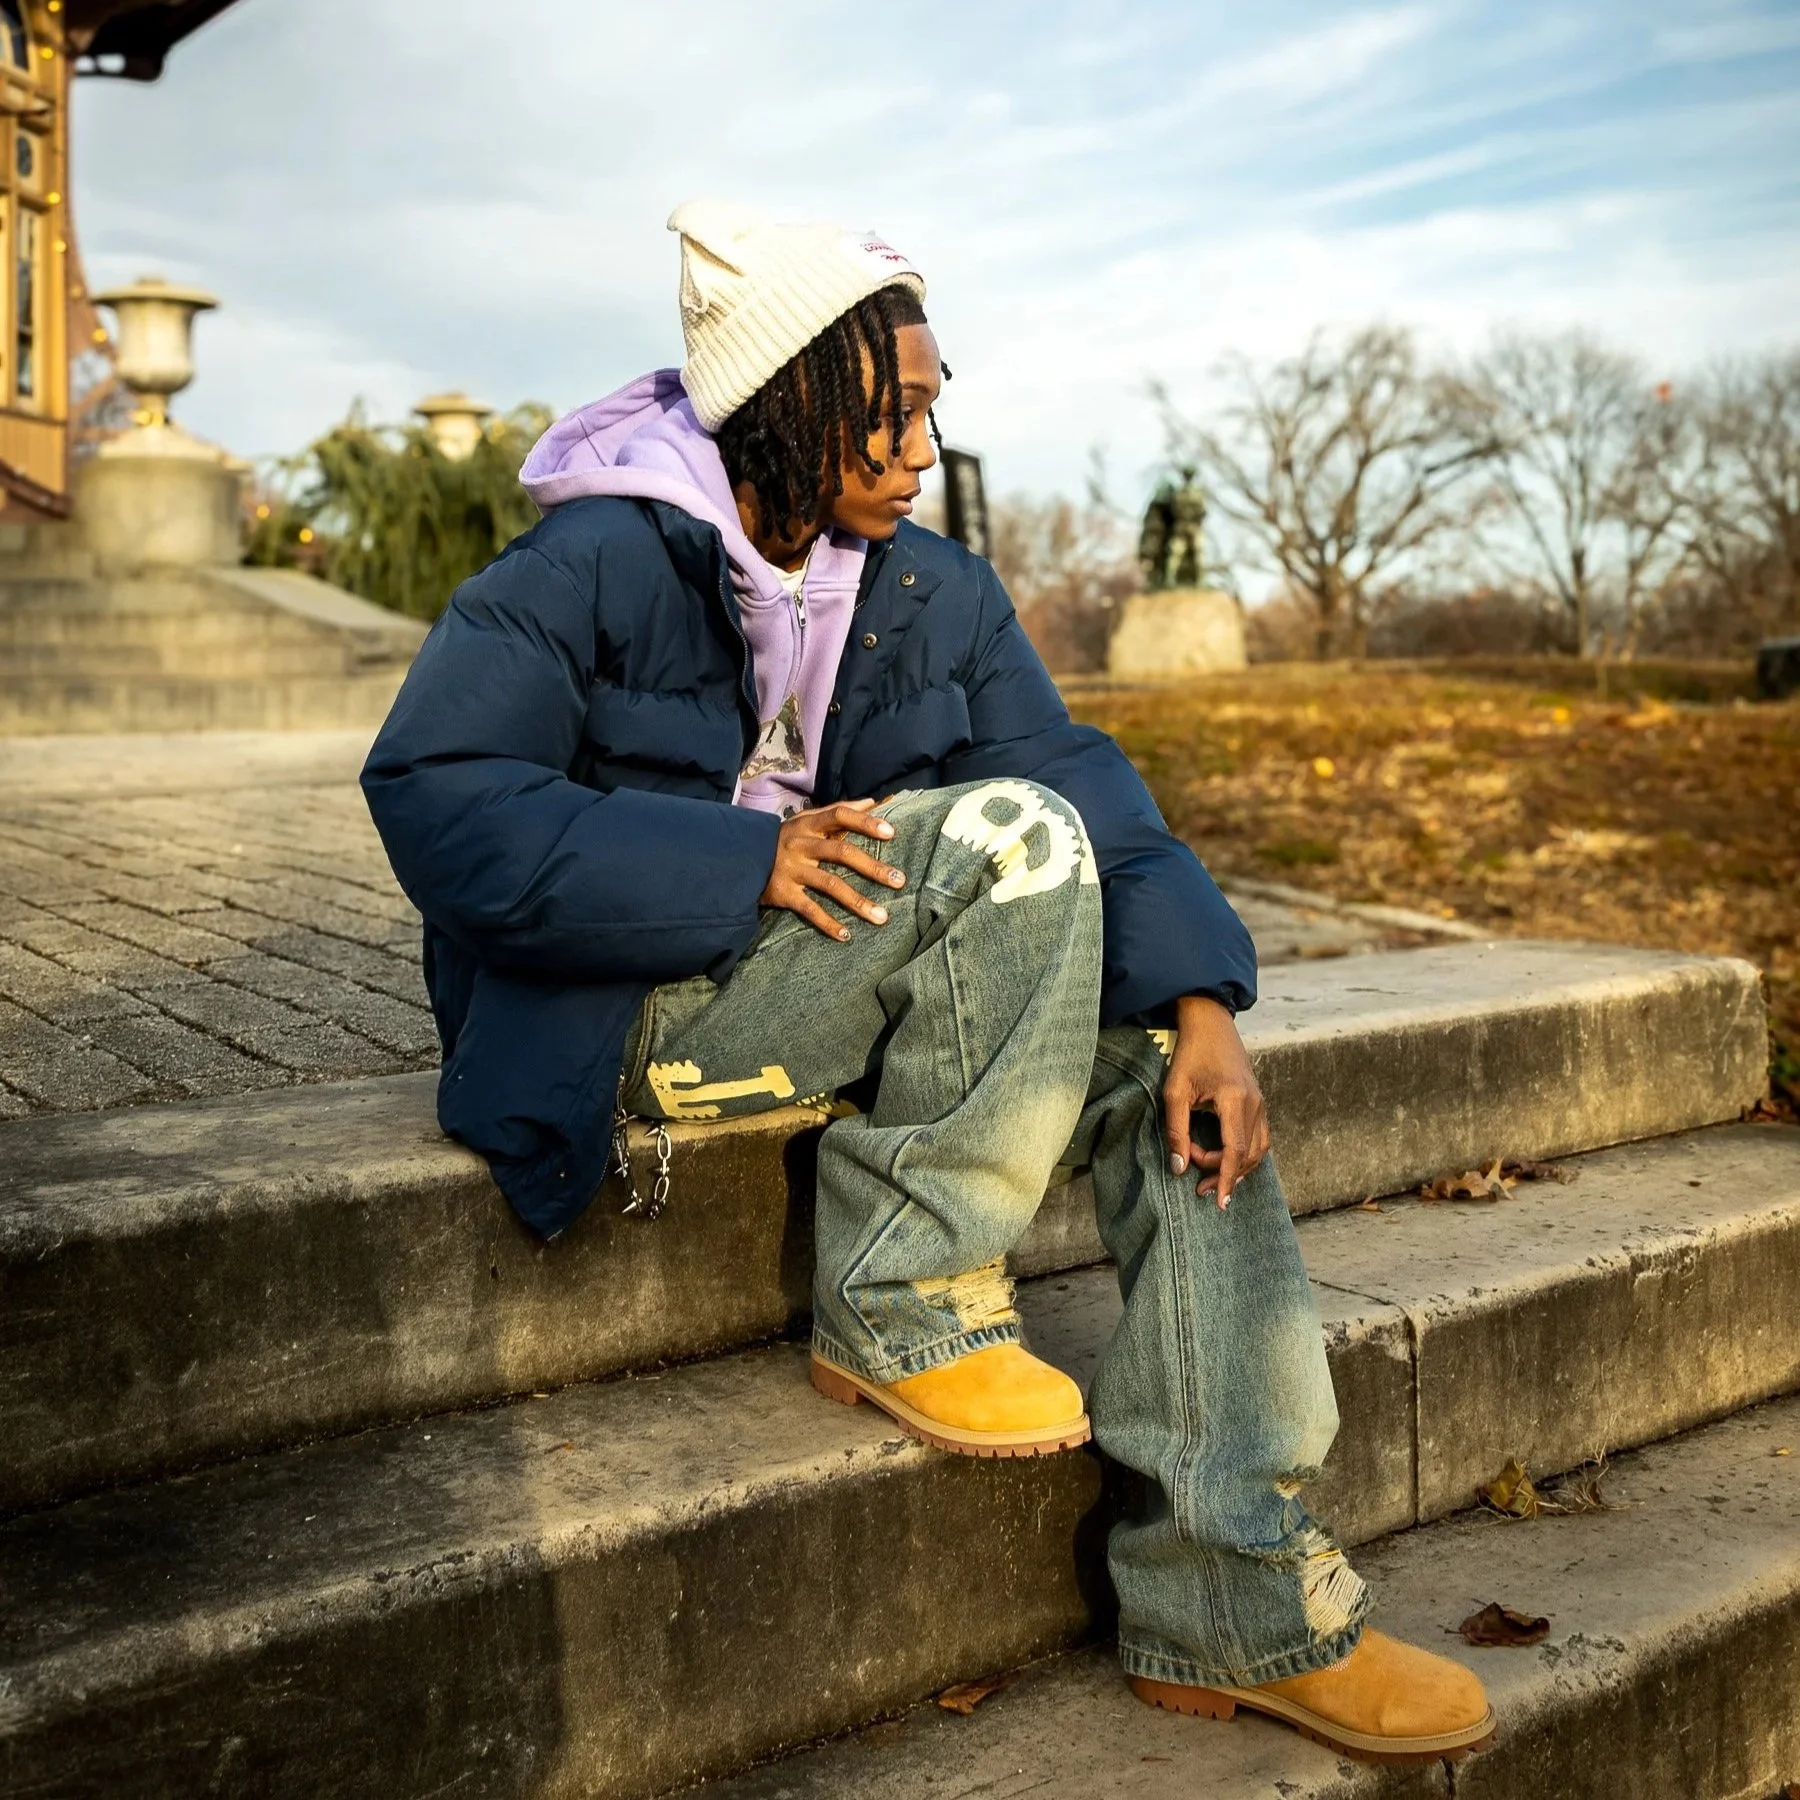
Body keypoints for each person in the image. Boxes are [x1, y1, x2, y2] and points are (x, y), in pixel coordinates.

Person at [362, 199, 1495, 1767]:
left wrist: (1204, 1013)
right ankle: (898, 1298)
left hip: (829, 986)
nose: (914, 442)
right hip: (627, 1015)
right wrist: (733, 863)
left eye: (929, 401)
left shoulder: (928, 590)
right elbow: (435, 790)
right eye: (883, 410)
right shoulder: (598, 556)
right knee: (1006, 842)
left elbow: (1075, 782)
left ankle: (1234, 1592)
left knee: (1169, 1092)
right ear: (778, 405)